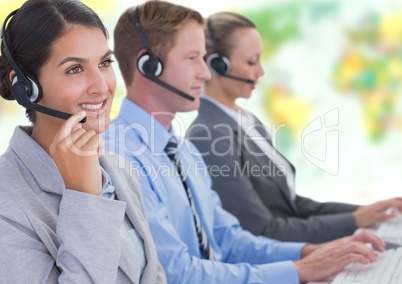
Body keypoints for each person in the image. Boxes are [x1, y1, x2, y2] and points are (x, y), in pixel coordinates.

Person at [103, 1, 388, 283]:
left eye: (204, 58)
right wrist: (299, 271)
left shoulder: (184, 151)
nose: (205, 72)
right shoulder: (119, 157)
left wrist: (313, 252)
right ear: (148, 65)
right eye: (192, 58)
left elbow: (229, 240)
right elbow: (175, 273)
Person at [186, 11, 402, 244]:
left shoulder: (246, 120)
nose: (261, 71)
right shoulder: (208, 135)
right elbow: (262, 229)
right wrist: (353, 222)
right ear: (218, 65)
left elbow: (290, 204)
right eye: (251, 61)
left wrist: (362, 212)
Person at [0, 0, 166, 283]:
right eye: (75, 69)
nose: (102, 87)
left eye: (104, 63)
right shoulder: (7, 203)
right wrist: (85, 199)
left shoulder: (119, 171)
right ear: (26, 87)